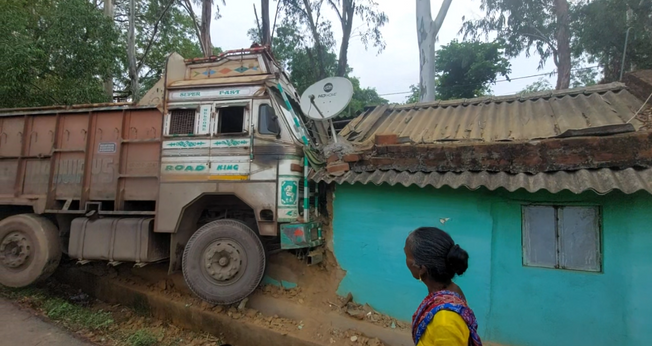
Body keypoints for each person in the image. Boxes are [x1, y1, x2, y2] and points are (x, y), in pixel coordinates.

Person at [405, 227, 482, 346]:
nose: (406, 261)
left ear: (421, 269)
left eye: (407, 256)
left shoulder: (445, 322)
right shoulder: (452, 290)